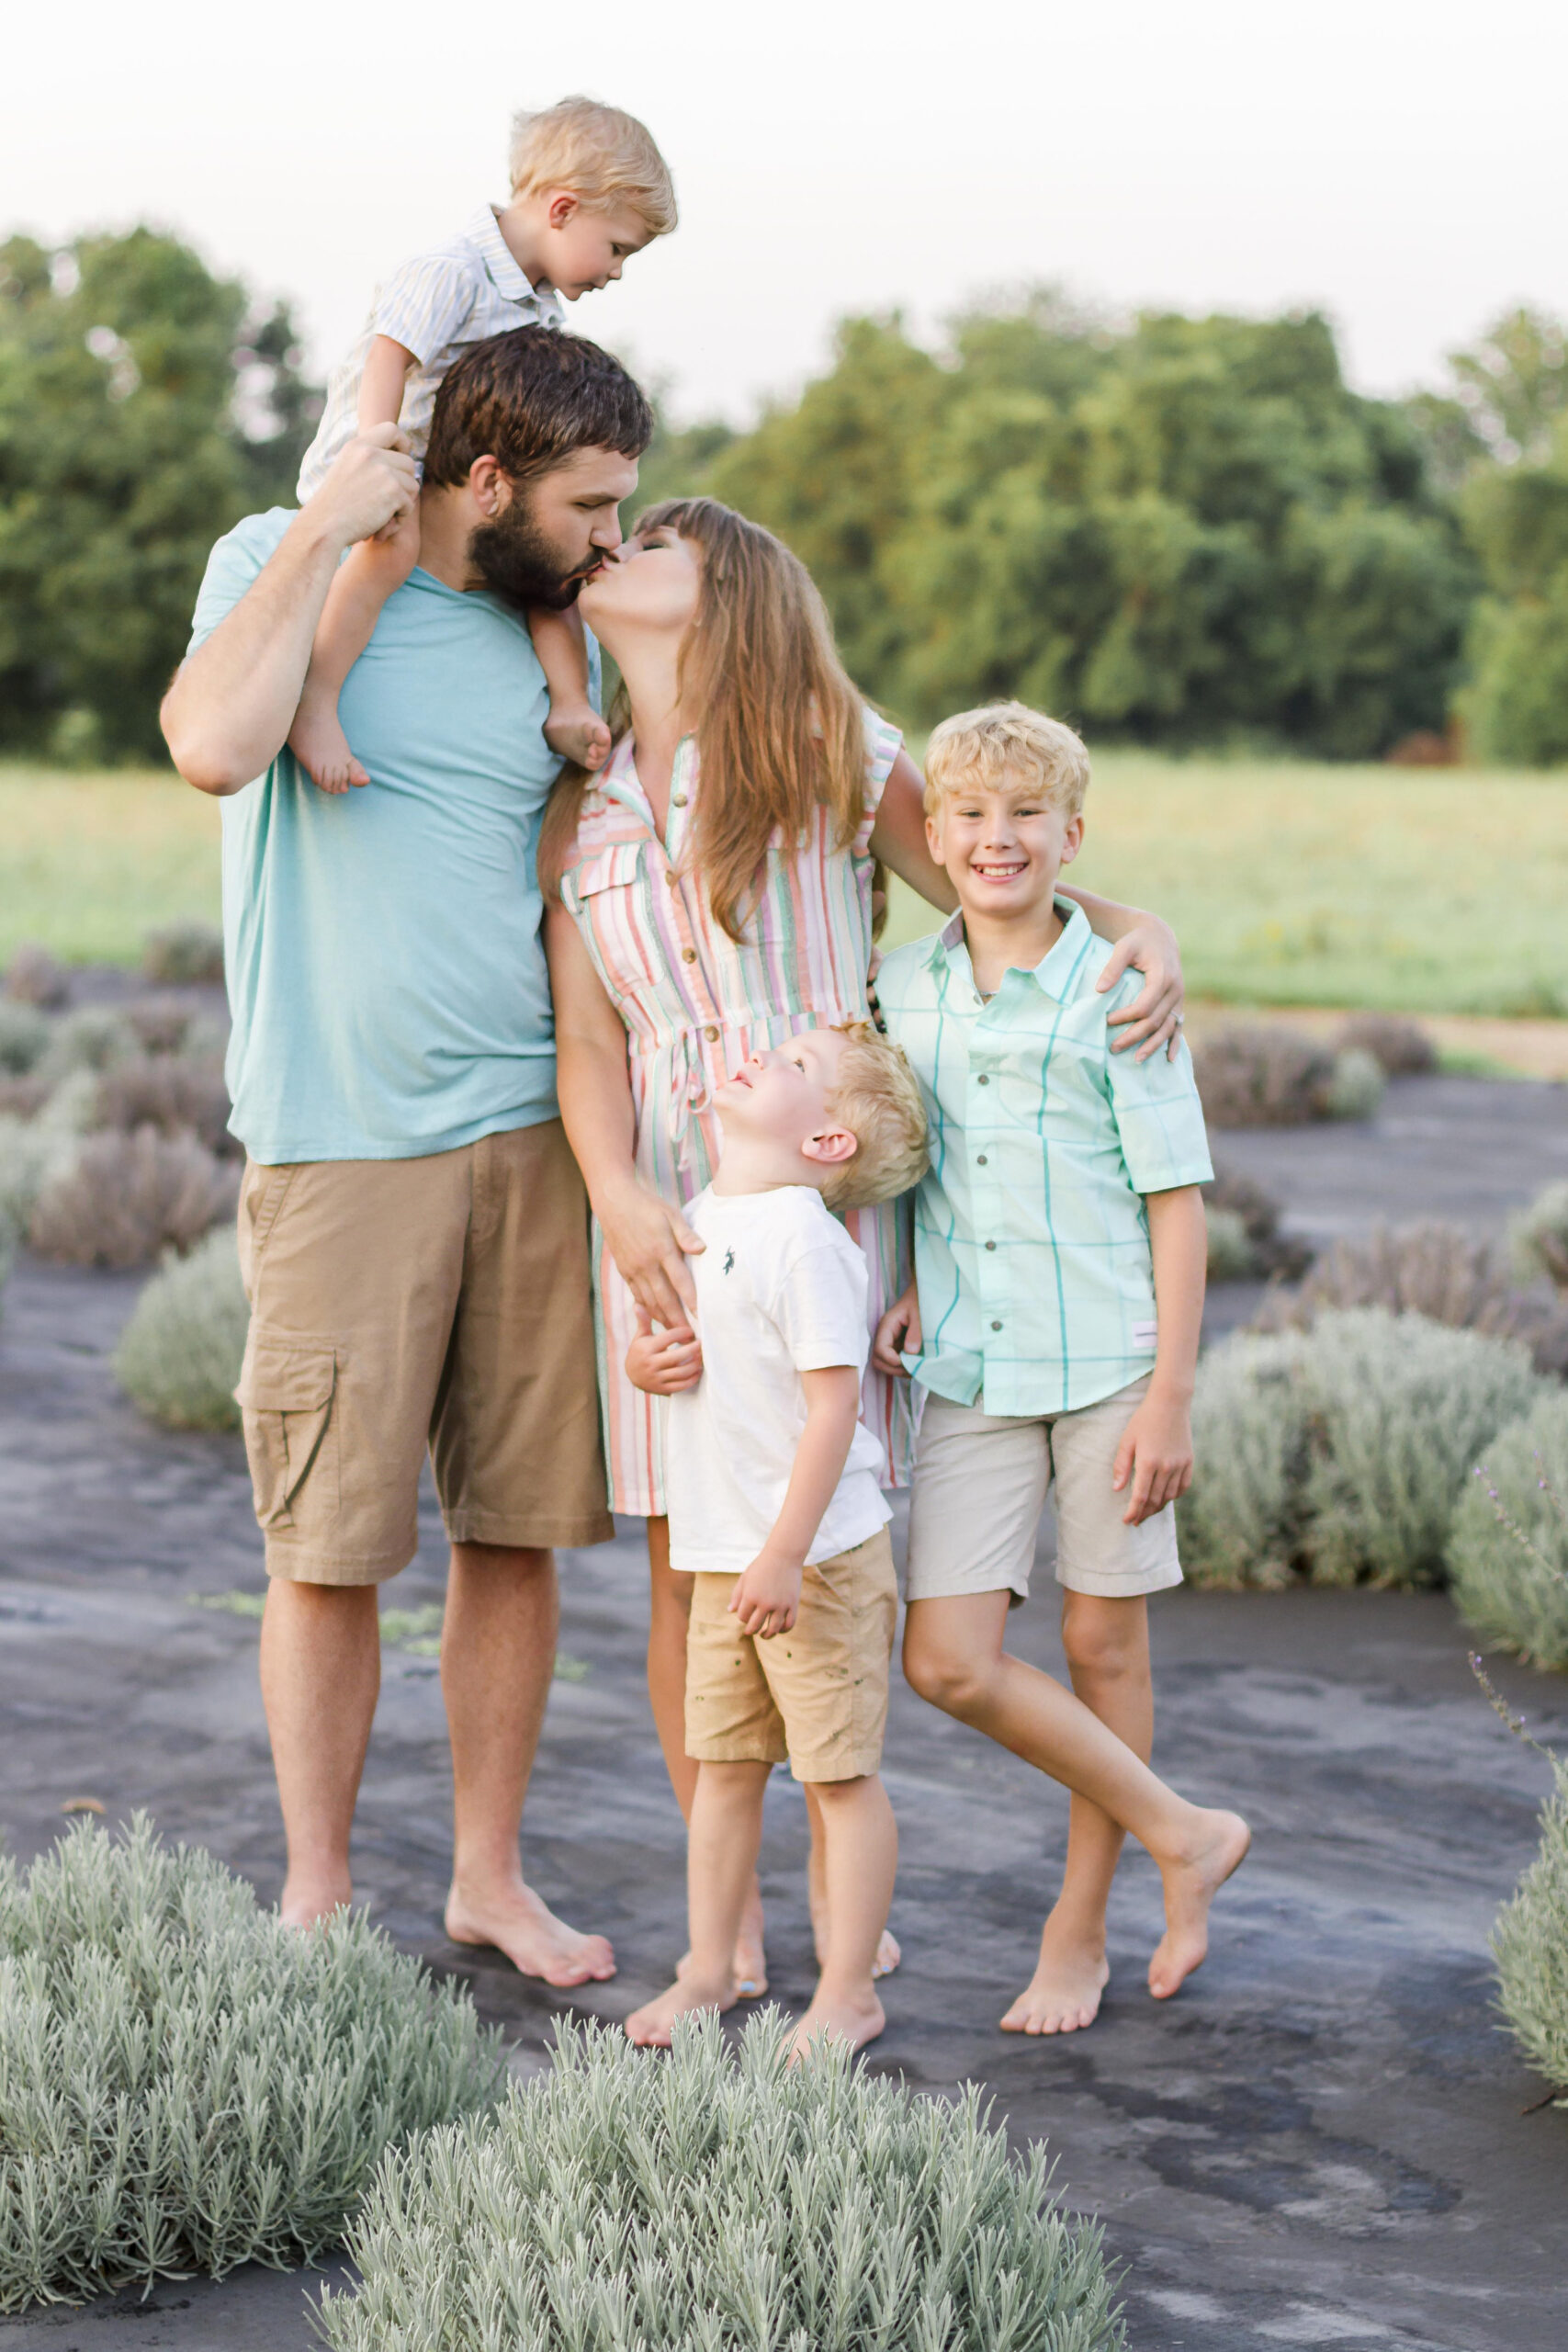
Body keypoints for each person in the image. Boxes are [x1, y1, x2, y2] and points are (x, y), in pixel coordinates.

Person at [541, 500, 1190, 1997]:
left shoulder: (829, 750)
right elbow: (587, 1040)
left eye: (653, 543)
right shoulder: (578, 805)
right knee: (687, 1571)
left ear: (726, 599)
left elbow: (993, 887)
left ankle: (850, 1902)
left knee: (826, 1562)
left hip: (836, 1230)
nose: (614, 549)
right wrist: (617, 1190)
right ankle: (735, 1933)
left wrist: (1137, 921)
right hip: (665, 1229)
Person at [159, 326, 655, 1987]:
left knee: (510, 1535)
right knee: (330, 1545)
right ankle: (315, 1891)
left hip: (530, 1133)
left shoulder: (555, 630)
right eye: (589, 504)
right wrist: (319, 533)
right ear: (488, 476)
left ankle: (487, 1882)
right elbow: (212, 746)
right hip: (341, 1141)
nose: (607, 537)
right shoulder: (277, 560)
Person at [874, 701, 1250, 2033]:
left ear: (1070, 834)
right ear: (931, 833)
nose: (995, 838)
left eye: (1025, 816)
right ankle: (1182, 1830)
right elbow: (926, 1156)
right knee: (947, 1659)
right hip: (970, 1365)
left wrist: (1170, 1398)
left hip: (1108, 1364)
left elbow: (1174, 1203)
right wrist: (913, 1274)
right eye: (966, 815)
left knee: (1099, 1639)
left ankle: (1077, 1926)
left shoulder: (1116, 987)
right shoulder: (900, 989)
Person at [620, 1022, 930, 2053]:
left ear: (830, 1144)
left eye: (799, 1067)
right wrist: (645, 1364)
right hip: (723, 1556)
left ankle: (849, 1991)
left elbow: (835, 1411)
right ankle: (708, 1970)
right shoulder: (706, 1215)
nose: (768, 1055)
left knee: (839, 1779)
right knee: (724, 1770)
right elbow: (693, 1354)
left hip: (815, 1563)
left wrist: (786, 1554)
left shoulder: (805, 1237)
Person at [288, 97, 675, 794]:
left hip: (463, 483)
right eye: (616, 248)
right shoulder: (451, 271)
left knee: (549, 570)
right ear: (561, 210)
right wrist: (375, 465)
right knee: (386, 556)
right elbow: (390, 359)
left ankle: (568, 705)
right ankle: (316, 703)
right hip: (385, 467)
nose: (616, 270)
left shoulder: (537, 303)